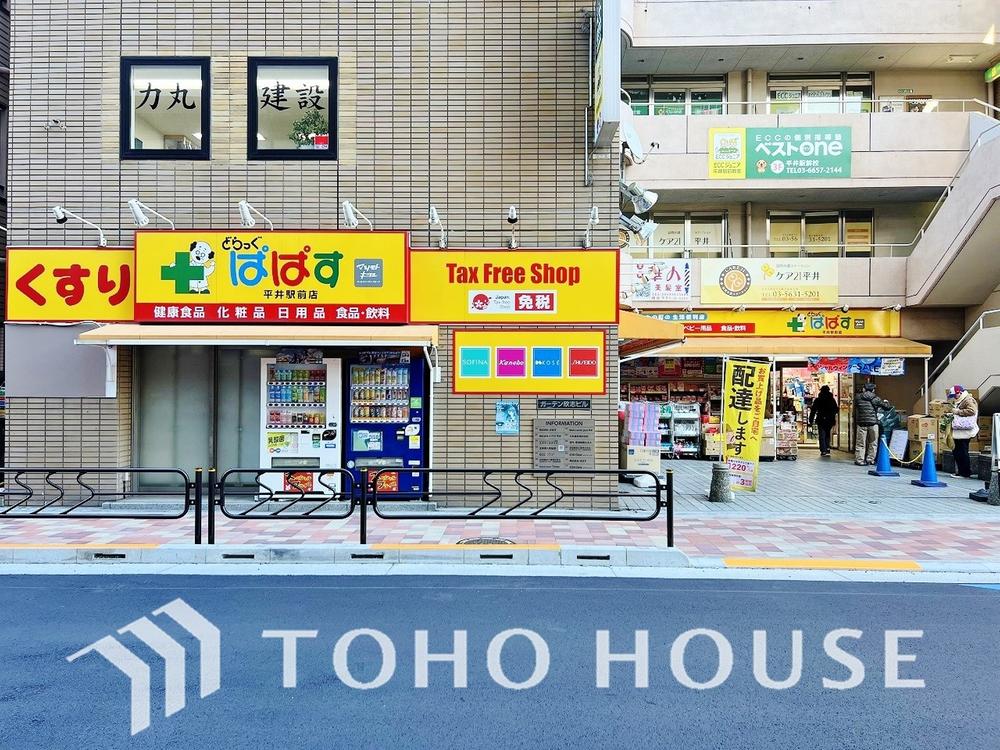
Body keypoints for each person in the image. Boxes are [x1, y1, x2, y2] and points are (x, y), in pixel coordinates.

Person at [853, 382, 890, 466]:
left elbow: (856, 407)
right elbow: (887, 407)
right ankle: (870, 459)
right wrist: (886, 402)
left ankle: (859, 460)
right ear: (873, 390)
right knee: (873, 442)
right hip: (873, 423)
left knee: (860, 443)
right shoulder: (875, 398)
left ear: (864, 389)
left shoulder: (858, 397)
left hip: (861, 423)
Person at [949, 385, 979, 479]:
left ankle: (965, 473)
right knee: (958, 451)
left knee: (961, 451)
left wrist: (957, 412)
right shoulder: (962, 400)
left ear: (959, 392)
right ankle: (961, 472)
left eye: (955, 395)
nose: (954, 397)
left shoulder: (968, 400)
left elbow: (972, 411)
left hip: (965, 431)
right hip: (961, 430)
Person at [809, 385, 838, 457]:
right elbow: (836, 409)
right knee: (827, 434)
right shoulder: (832, 399)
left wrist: (811, 420)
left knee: (822, 434)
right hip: (830, 419)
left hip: (821, 419)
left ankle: (823, 450)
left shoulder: (818, 399)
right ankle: (827, 448)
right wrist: (832, 415)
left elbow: (813, 410)